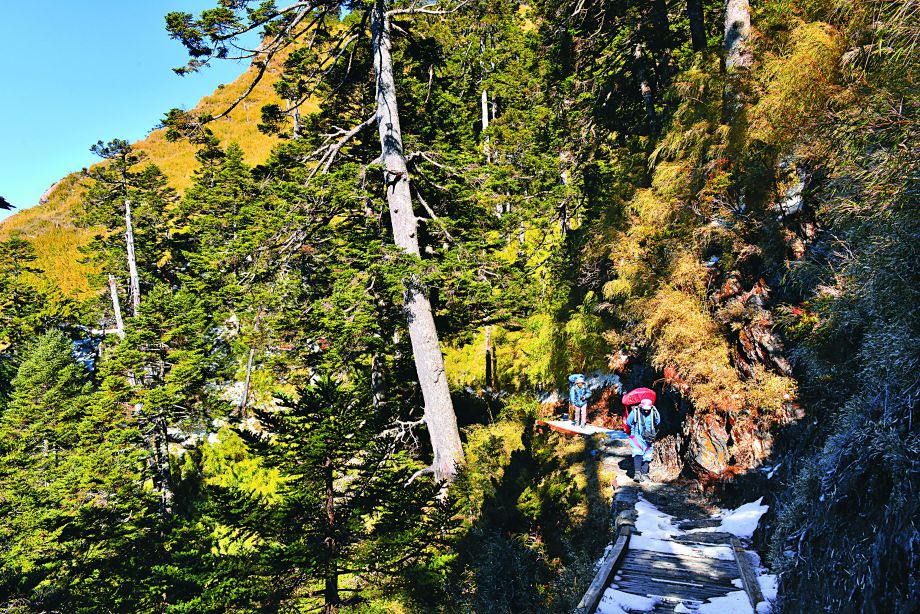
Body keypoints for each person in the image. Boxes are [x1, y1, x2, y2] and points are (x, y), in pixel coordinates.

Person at [625, 398, 660, 483]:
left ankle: (644, 473)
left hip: (649, 437)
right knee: (637, 452)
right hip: (637, 435)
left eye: (648, 410)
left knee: (647, 454)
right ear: (641, 406)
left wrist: (655, 410)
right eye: (645, 410)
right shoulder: (635, 411)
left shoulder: (653, 411)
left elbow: (658, 421)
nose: (647, 411)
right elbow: (629, 422)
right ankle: (637, 473)